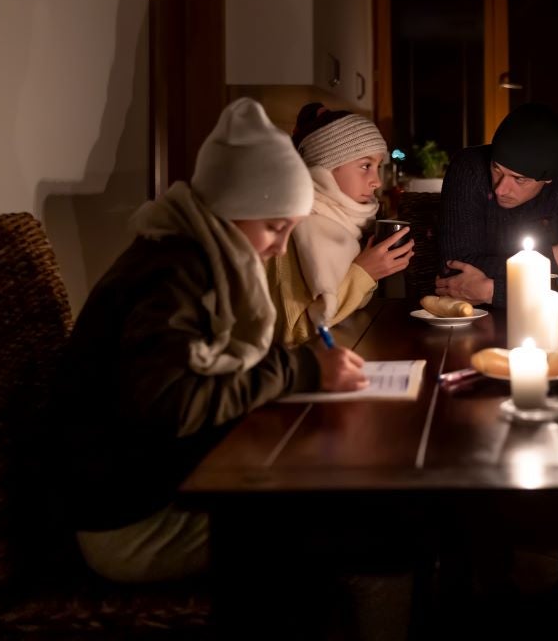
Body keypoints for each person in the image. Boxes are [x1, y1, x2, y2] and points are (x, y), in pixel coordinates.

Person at [51, 98, 368, 584]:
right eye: (274, 227)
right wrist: (302, 369)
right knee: (348, 528)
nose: (280, 247)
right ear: (231, 209)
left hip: (160, 484)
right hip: (131, 523)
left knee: (328, 501)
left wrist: (293, 366)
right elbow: (172, 404)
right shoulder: (172, 277)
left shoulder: (190, 252)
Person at [437, 102, 558, 306]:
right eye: (497, 169)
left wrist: (492, 291)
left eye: (519, 179)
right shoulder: (469, 167)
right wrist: (556, 258)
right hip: (470, 319)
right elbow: (453, 271)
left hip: (555, 324)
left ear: (548, 178)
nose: (500, 189)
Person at [268, 102, 414, 344]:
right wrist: (365, 272)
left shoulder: (341, 222)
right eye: (365, 166)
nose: (376, 181)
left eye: (378, 166)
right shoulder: (293, 226)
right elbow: (293, 332)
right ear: (324, 168)